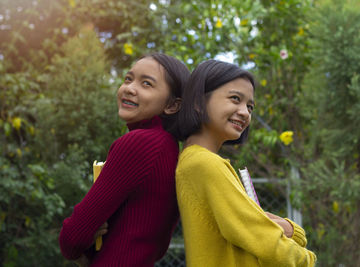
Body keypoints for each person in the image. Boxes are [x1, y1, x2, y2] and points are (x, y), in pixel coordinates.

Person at [175, 59, 317, 266]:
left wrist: (290, 231)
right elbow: (269, 245)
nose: (245, 112)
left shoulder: (193, 160)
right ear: (198, 102)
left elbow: (250, 229)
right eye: (235, 99)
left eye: (250, 107)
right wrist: (309, 259)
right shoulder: (206, 164)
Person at [59, 53, 190, 266]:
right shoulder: (169, 147)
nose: (129, 88)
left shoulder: (141, 142)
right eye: (128, 79)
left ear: (172, 106)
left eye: (146, 84)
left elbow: (73, 238)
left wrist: (81, 246)